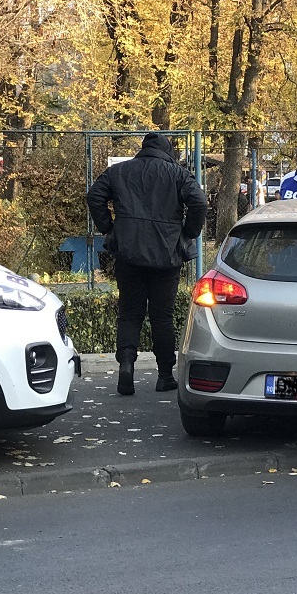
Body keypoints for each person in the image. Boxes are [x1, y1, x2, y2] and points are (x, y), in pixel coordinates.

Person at [87, 132, 208, 396]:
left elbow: (94, 195)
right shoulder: (177, 174)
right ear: (167, 151)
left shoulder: (119, 171)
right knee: (162, 316)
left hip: (129, 252)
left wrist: (110, 228)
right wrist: (187, 233)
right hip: (167, 254)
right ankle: (164, 374)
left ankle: (126, 364)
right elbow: (199, 202)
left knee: (129, 313)